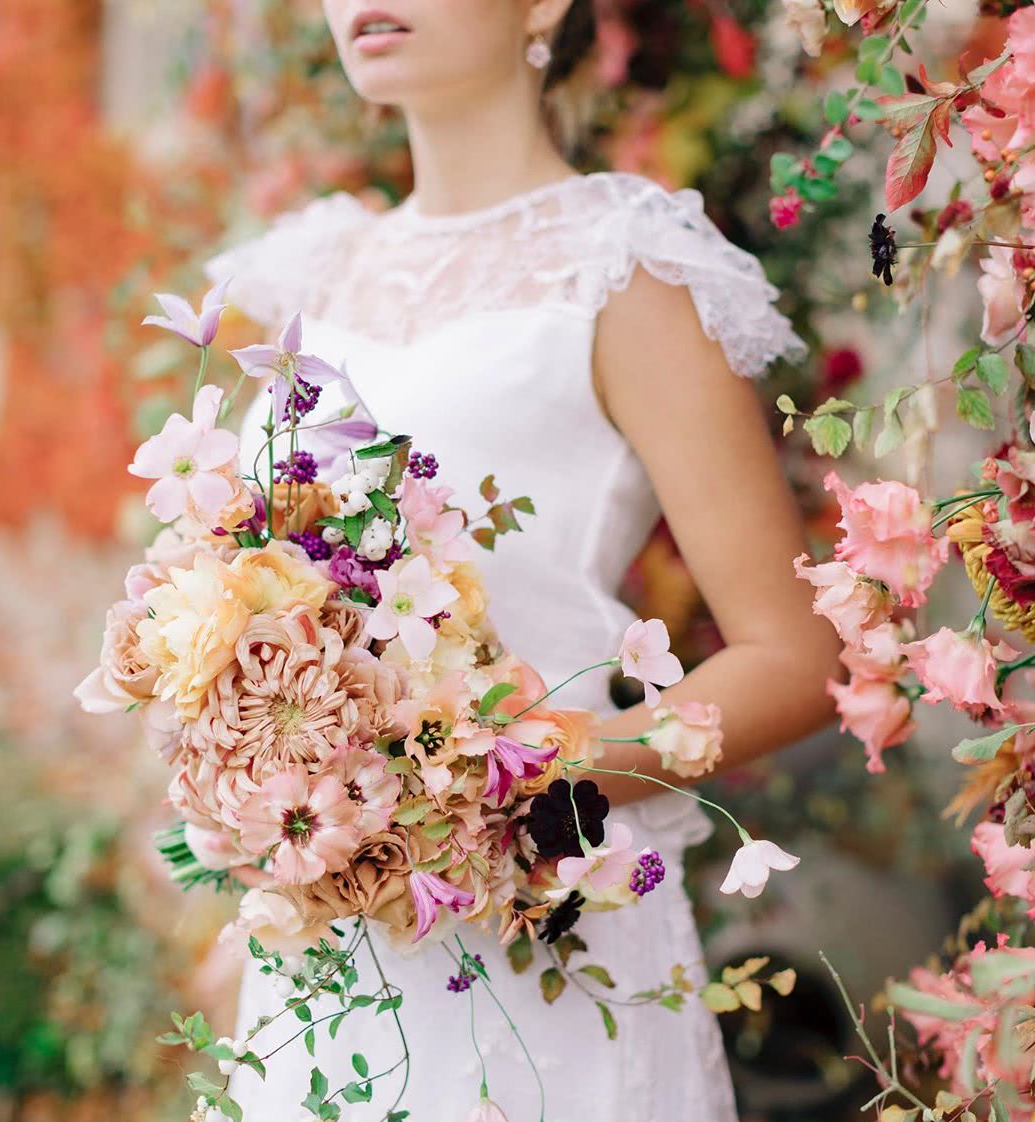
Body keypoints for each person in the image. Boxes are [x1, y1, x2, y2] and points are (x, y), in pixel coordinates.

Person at [206, 1, 843, 1118]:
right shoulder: (301, 279)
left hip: (548, 935)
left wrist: (517, 775)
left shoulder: (623, 267)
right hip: (327, 957)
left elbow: (794, 656)